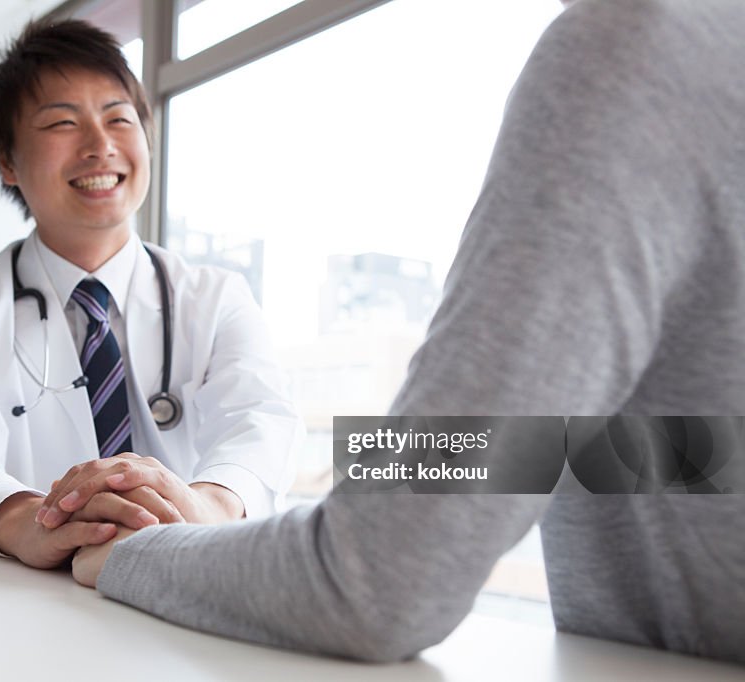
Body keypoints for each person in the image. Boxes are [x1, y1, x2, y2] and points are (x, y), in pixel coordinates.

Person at [70, 0, 745, 665]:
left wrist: (133, 549)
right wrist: (403, 461)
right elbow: (703, 452)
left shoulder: (630, 47)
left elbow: (377, 577)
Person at [0, 19, 301, 565]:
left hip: (184, 584)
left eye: (119, 119)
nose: (100, 146)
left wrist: (207, 507)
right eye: (62, 122)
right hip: (21, 603)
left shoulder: (216, 298)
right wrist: (28, 520)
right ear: (7, 161)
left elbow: (261, 422)